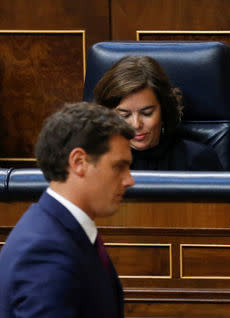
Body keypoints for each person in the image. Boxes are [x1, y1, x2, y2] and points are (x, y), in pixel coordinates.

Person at [0, 102, 135, 317]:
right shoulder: (44, 250)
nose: (129, 180)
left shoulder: (62, 230)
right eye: (119, 166)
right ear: (79, 162)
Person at [94, 55, 223, 171]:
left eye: (147, 113)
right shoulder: (95, 160)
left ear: (164, 110)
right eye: (124, 115)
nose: (136, 124)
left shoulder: (197, 159)